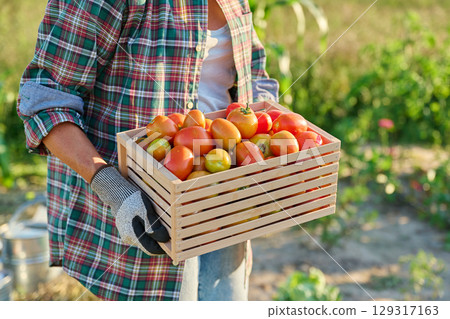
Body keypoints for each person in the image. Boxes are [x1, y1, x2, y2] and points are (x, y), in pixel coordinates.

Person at [17, 0, 278, 301]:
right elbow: (47, 102)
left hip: (225, 202)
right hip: (144, 213)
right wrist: (113, 188)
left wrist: (269, 138)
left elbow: (254, 72)